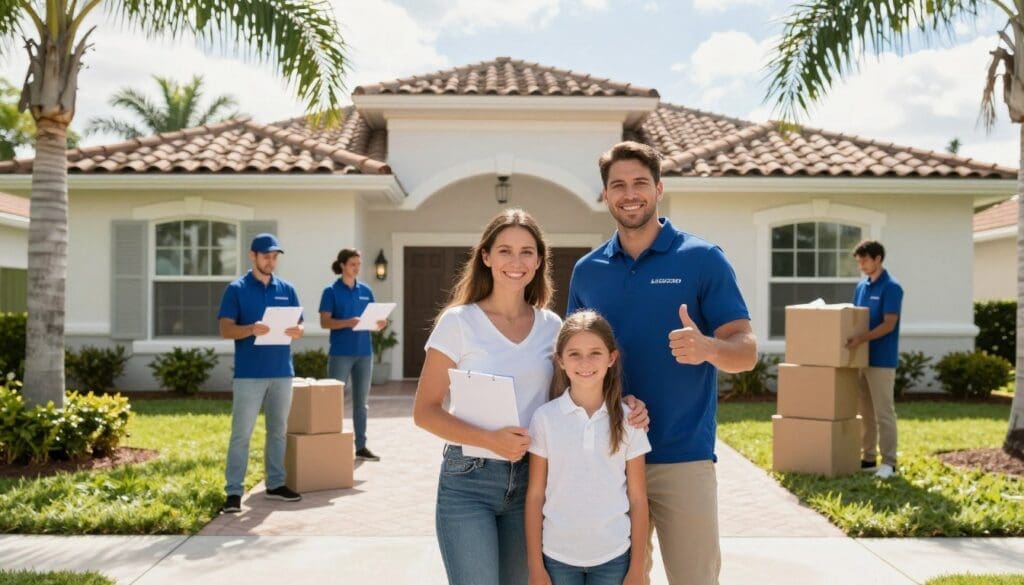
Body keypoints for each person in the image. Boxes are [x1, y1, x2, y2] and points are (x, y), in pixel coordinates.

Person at [413, 208, 649, 585]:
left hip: (531, 479)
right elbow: (425, 412)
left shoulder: (551, 327)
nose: (516, 262)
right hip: (469, 480)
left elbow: (578, 386)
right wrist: (489, 440)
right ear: (486, 257)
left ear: (539, 261)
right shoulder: (457, 322)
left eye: (527, 252)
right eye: (504, 250)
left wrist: (627, 405)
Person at [567, 141, 757, 585]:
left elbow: (746, 351)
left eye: (639, 183)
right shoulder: (587, 270)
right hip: (609, 456)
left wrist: (708, 348)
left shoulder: (702, 259)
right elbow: (572, 361)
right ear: (605, 195)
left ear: (658, 188)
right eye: (618, 185)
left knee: (694, 578)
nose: (629, 194)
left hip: (681, 456)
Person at [525, 310, 650, 585]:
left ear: (611, 358)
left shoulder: (630, 420)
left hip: (614, 556)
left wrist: (637, 569)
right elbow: (535, 496)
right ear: (559, 360)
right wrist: (535, 566)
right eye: (574, 354)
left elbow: (638, 499)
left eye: (595, 352)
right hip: (557, 557)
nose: (585, 363)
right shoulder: (545, 419)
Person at [218, 233, 304, 513]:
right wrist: (251, 329)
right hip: (249, 374)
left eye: (275, 256)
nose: (271, 261)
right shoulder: (236, 289)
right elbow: (225, 329)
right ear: (252, 256)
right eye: (266, 256)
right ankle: (233, 492)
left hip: (282, 371)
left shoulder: (287, 289)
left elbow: (300, 326)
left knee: (277, 431)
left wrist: (297, 331)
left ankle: (276, 484)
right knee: (241, 434)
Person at [319, 248, 386, 462]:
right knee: (334, 400)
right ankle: (330, 444)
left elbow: (373, 321)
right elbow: (324, 322)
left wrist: (379, 324)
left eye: (358, 264)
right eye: (352, 264)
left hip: (364, 353)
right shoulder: (330, 291)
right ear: (342, 266)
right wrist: (348, 322)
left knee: (361, 402)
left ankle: (361, 446)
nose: (356, 268)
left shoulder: (366, 291)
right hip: (340, 353)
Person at [845, 240, 903, 480]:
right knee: (865, 412)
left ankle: (890, 462)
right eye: (859, 262)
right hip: (862, 358)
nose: (862, 266)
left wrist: (861, 338)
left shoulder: (891, 287)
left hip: (882, 360)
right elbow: (856, 317)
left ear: (878, 258)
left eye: (865, 261)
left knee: (883, 412)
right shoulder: (861, 287)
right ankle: (868, 458)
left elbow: (889, 324)